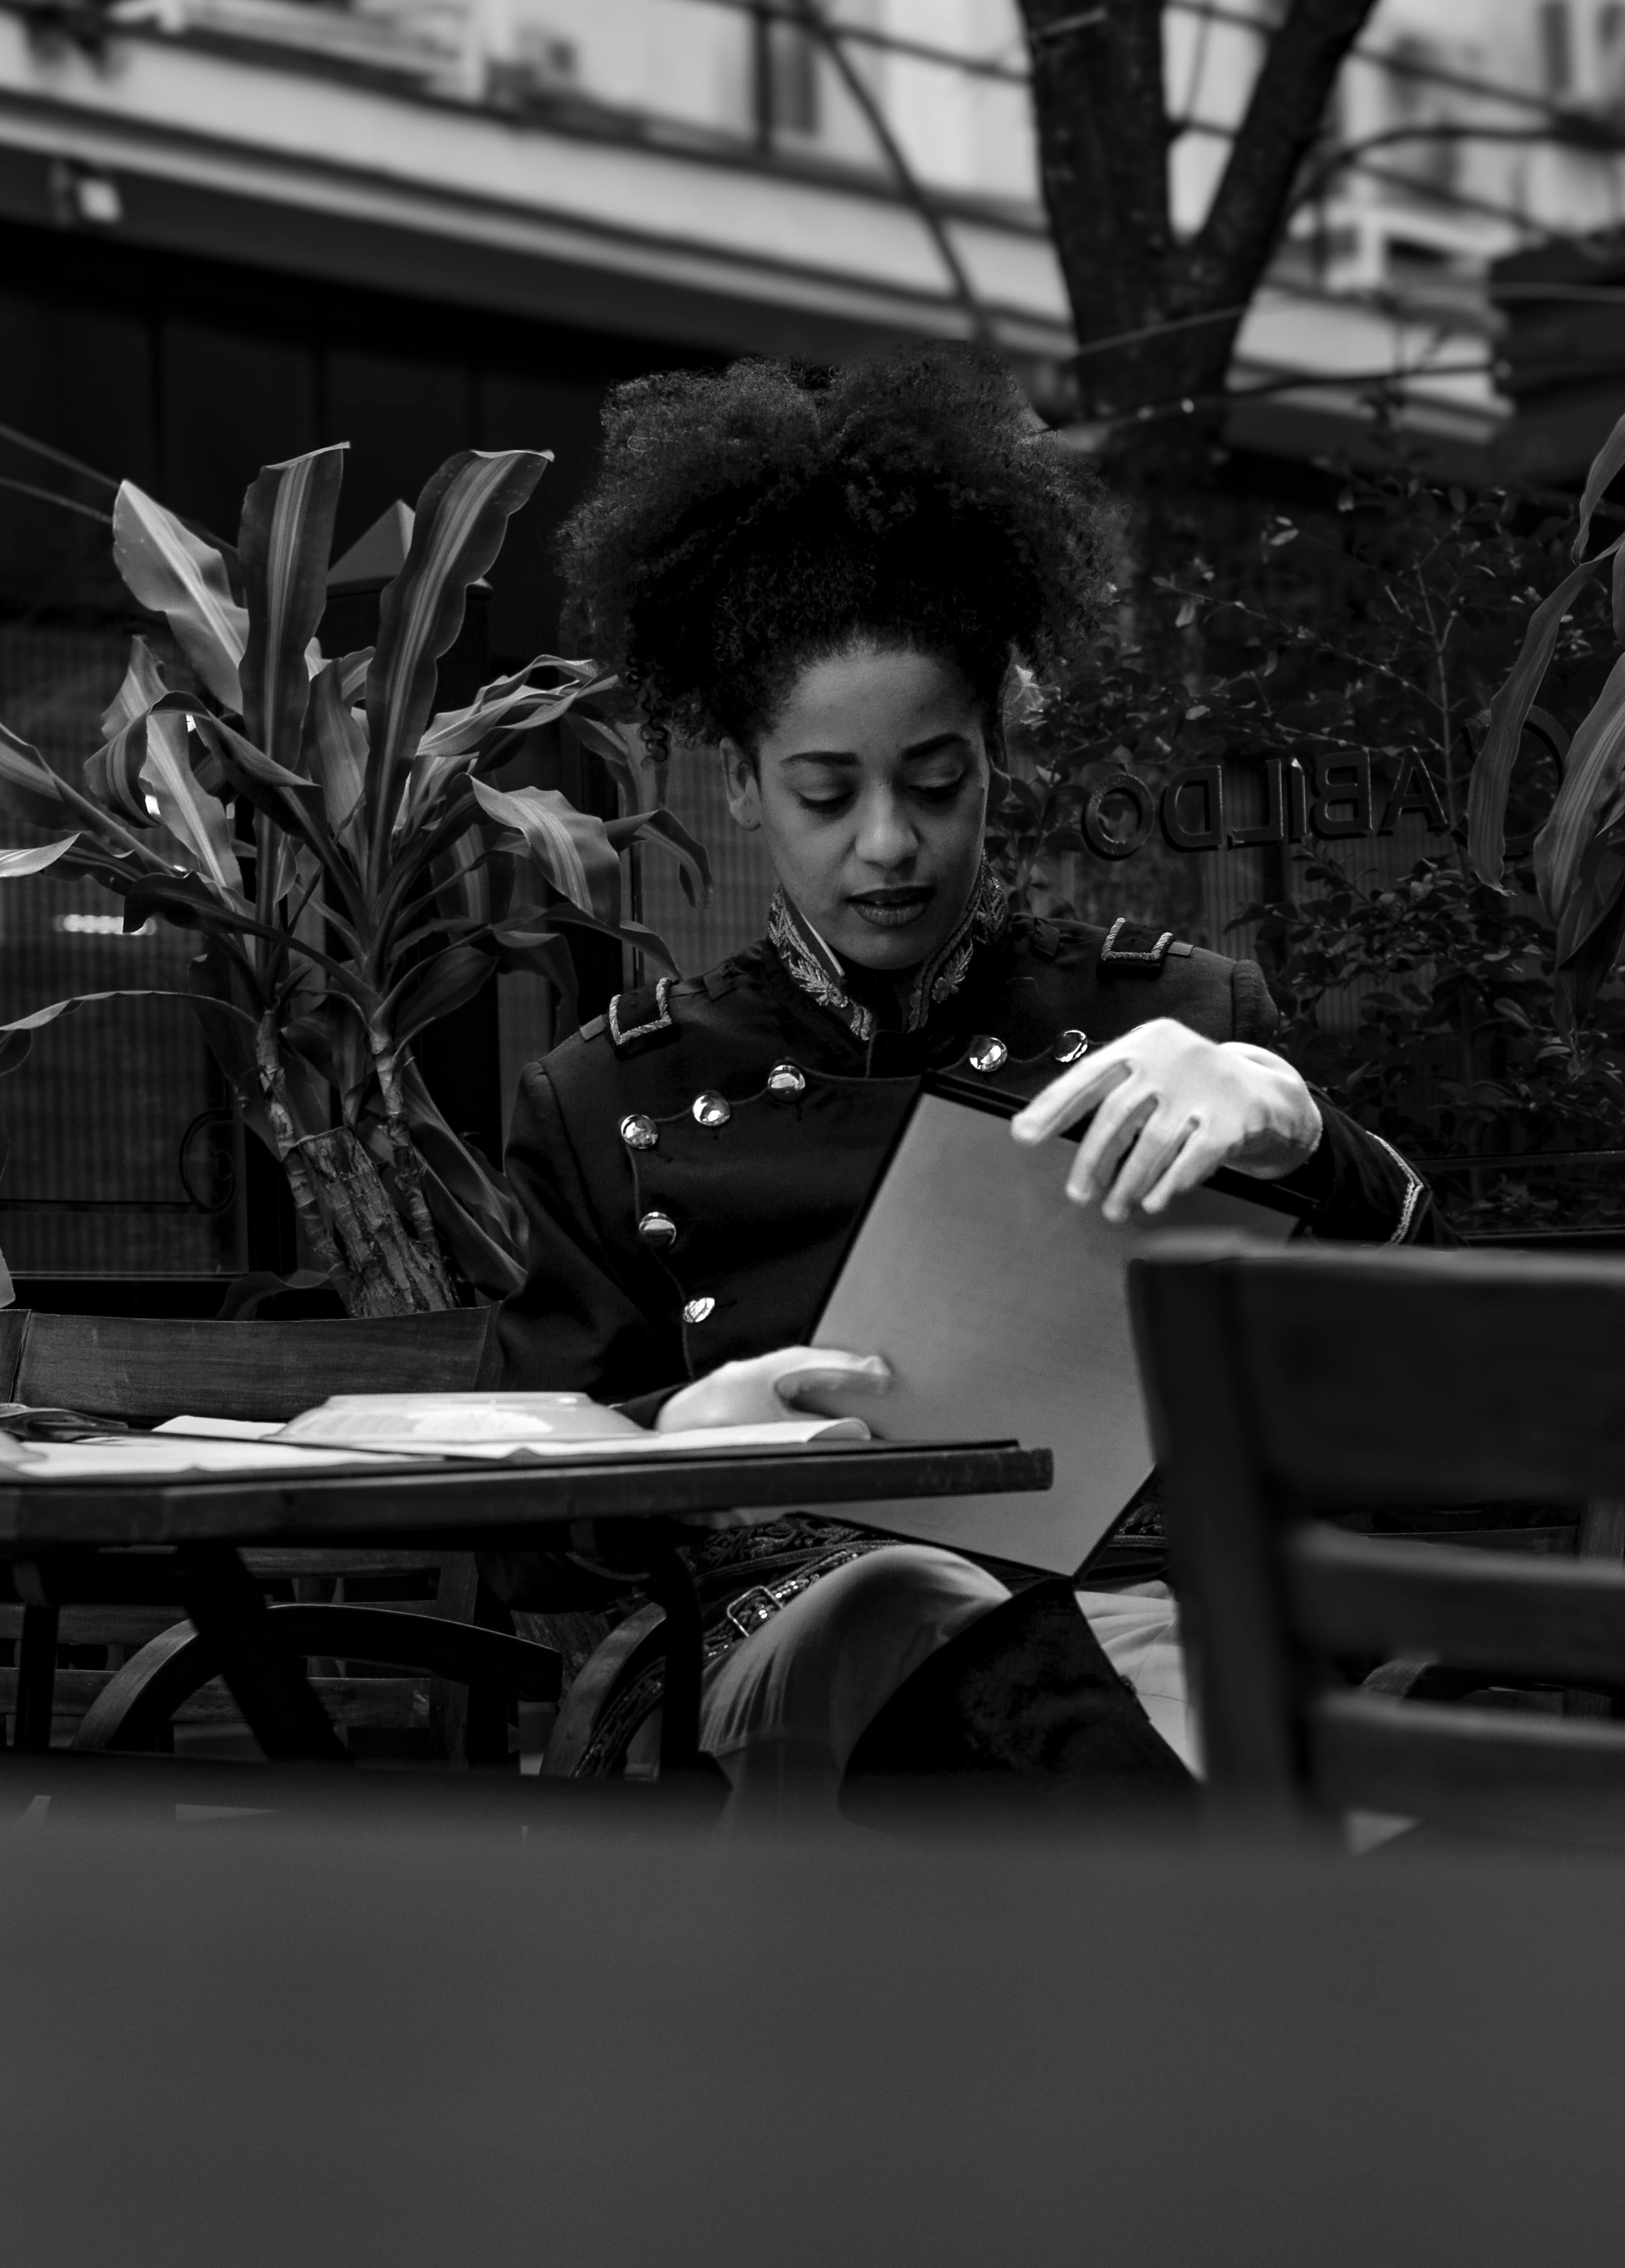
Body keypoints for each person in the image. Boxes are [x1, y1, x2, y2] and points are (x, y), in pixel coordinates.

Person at [494, 348, 1445, 1815]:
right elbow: (527, 1542)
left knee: (1160, 1697)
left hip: (1167, 1625)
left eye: (935, 781)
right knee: (934, 1615)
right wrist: (660, 1451)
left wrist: (1309, 1132)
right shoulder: (605, 1094)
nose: (888, 844)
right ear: (744, 784)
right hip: (807, 1659)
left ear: (998, 756)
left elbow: (1435, 1351)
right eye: (828, 793)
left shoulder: (1176, 1016)